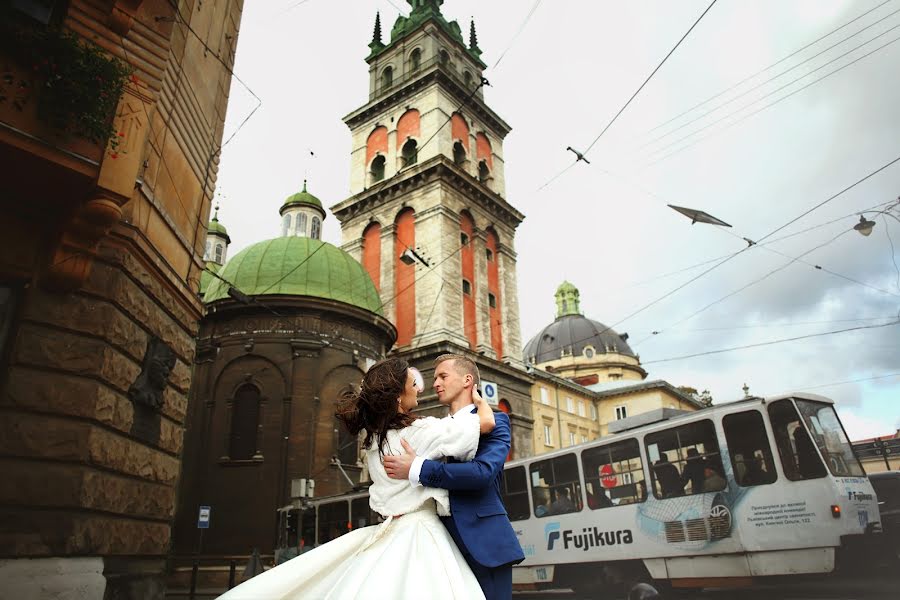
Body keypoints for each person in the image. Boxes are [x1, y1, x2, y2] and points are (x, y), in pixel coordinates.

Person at [217, 357, 496, 599]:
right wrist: (480, 401)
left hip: (392, 529)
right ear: (398, 396)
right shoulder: (418, 432)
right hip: (421, 530)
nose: (419, 389)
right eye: (413, 385)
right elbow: (485, 424)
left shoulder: (375, 439)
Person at [383, 354, 525, 600]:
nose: (435, 383)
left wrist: (418, 468)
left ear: (467, 380)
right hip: (438, 544)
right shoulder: (432, 428)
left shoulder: (496, 421)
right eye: (435, 377)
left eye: (443, 376)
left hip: (484, 543)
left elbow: (482, 473)